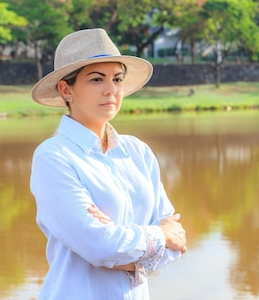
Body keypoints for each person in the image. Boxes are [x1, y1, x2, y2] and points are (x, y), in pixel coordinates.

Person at [29, 28, 187, 300]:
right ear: (67, 89)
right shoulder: (54, 157)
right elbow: (101, 246)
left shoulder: (138, 152)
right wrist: (158, 237)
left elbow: (178, 242)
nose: (111, 90)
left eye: (117, 79)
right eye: (96, 79)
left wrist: (123, 249)